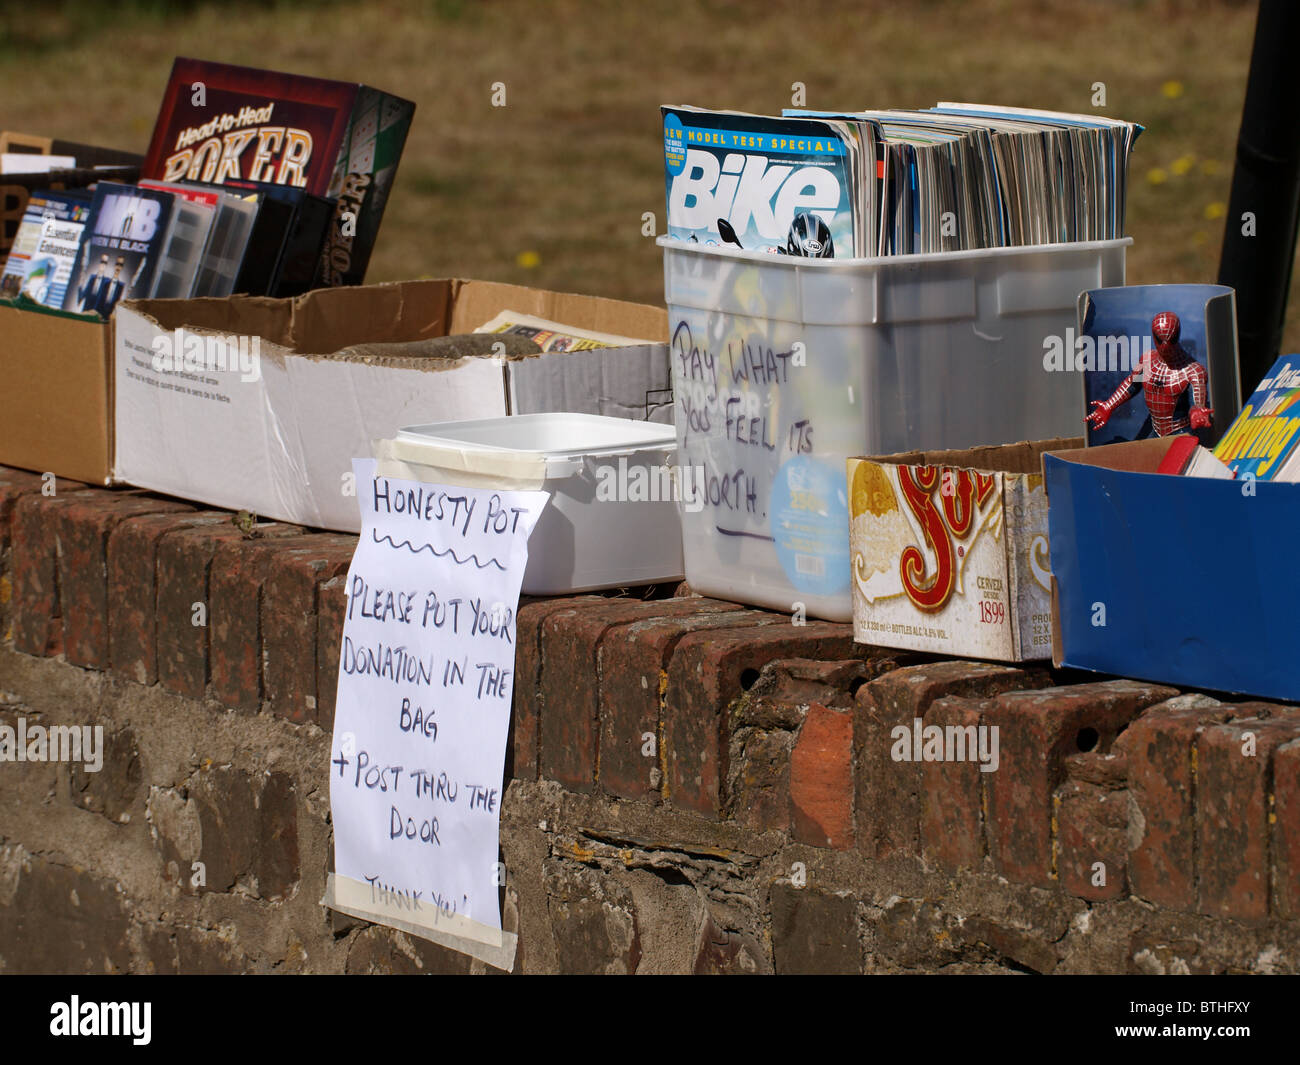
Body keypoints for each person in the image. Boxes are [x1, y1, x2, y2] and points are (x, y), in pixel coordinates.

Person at [1085, 311, 1212, 437]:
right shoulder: (1147, 360)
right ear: (1154, 336)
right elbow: (1132, 384)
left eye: (1170, 340)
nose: (1165, 347)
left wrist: (1197, 413)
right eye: (1160, 340)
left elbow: (1197, 403)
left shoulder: (1194, 371)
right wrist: (1109, 405)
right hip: (1155, 428)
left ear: (1177, 335)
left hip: (1180, 430)